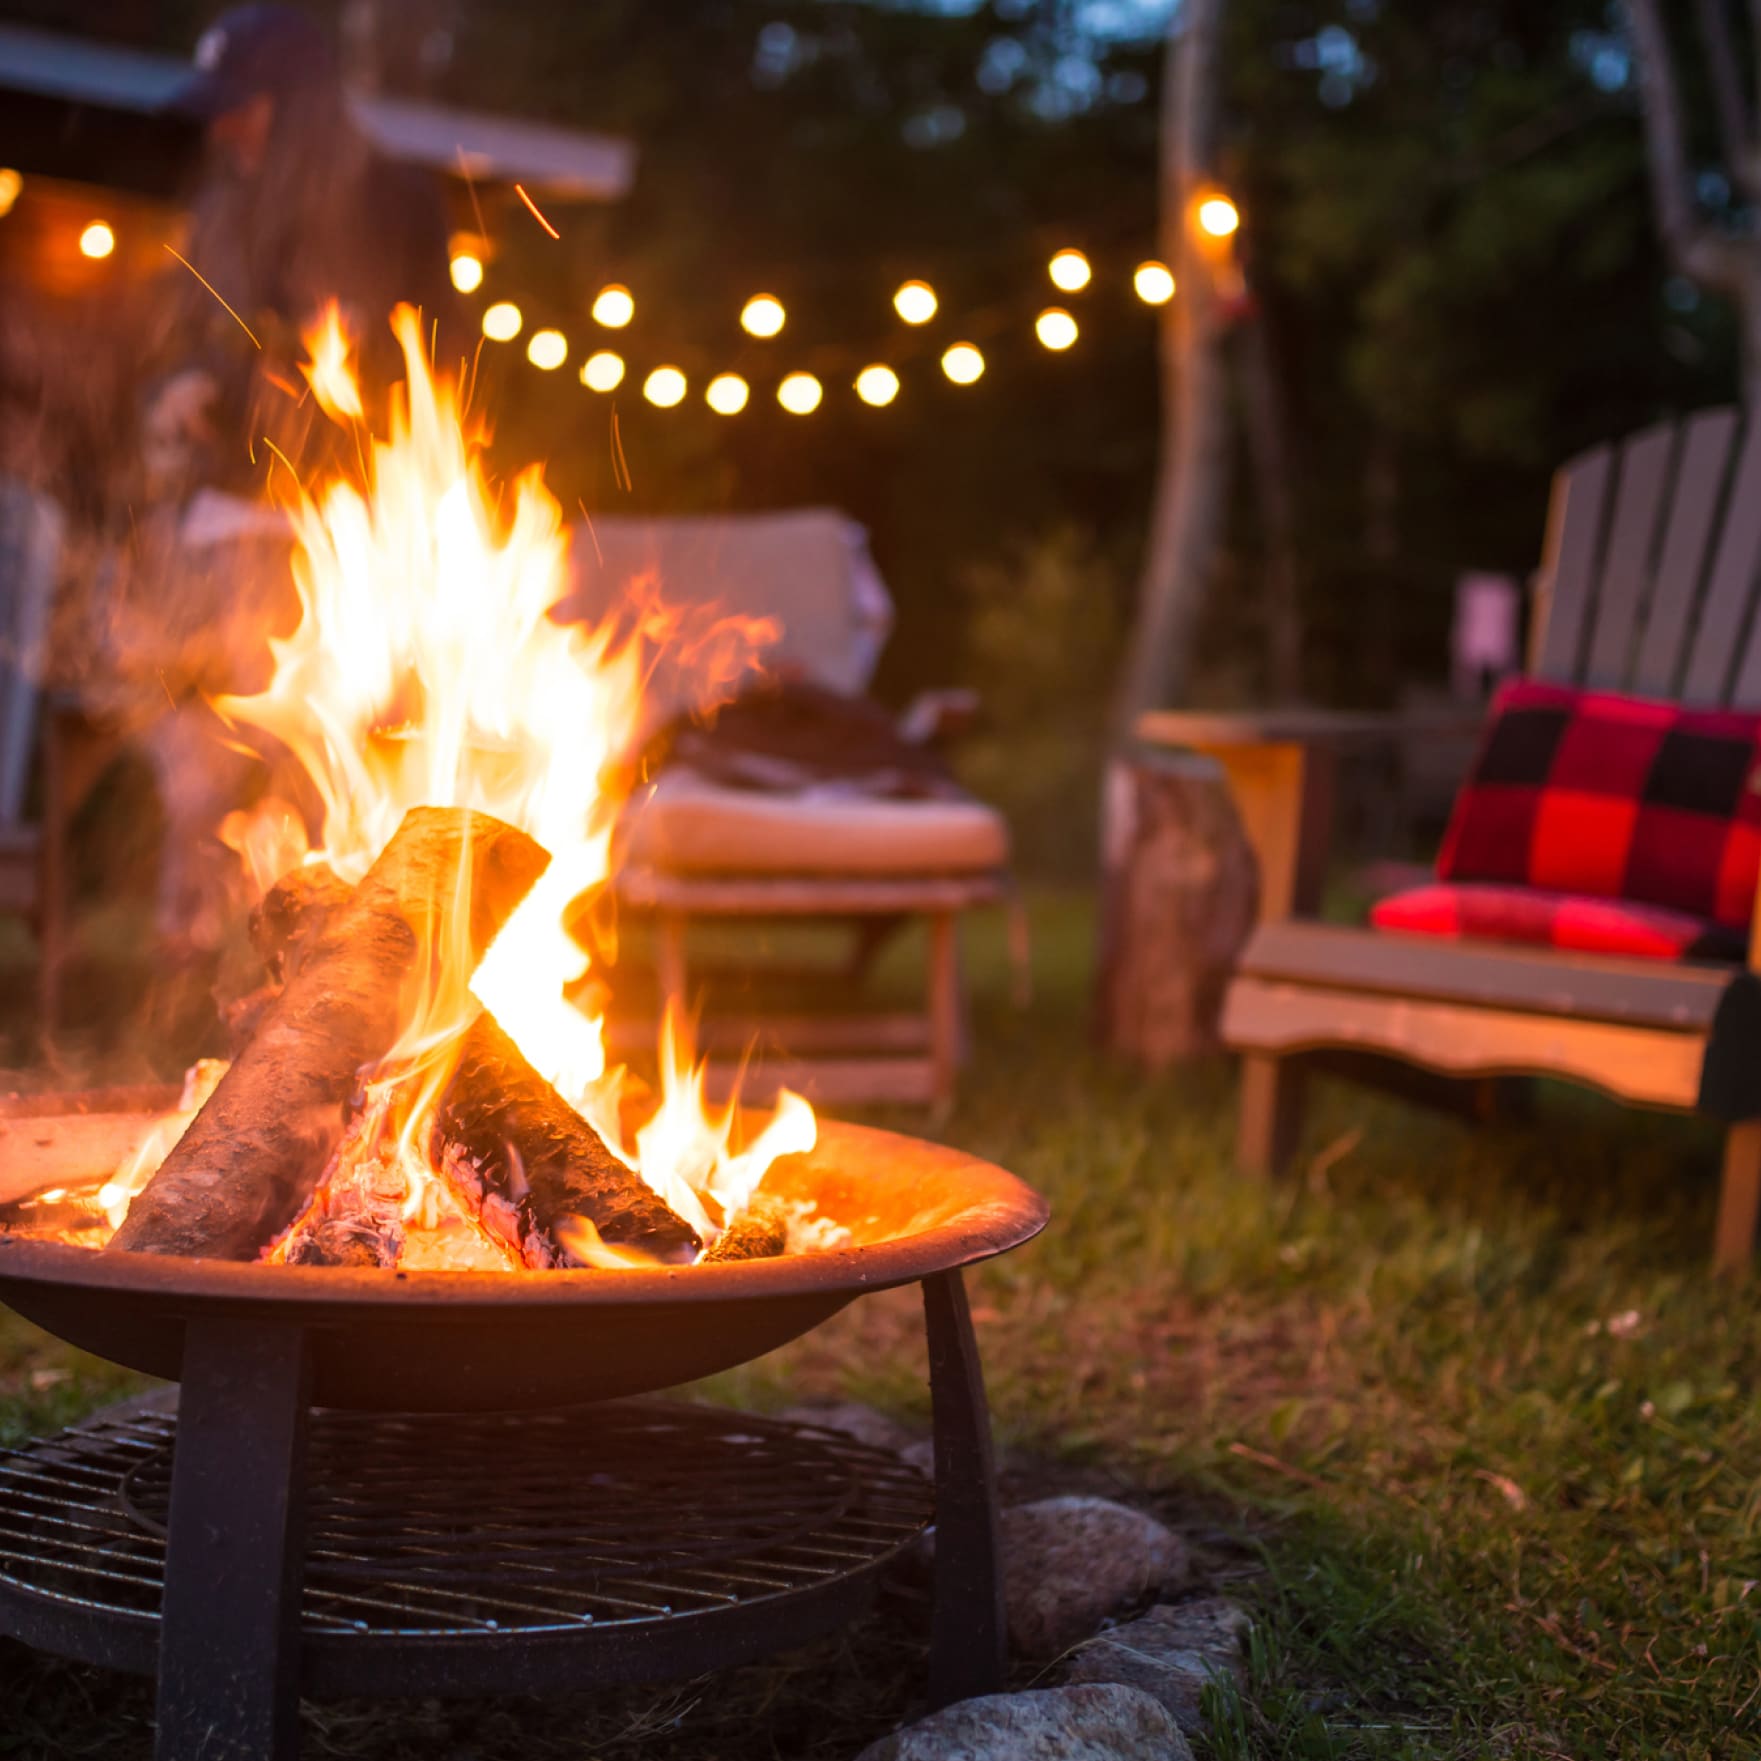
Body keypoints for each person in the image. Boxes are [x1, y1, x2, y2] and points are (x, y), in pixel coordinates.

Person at [107, 4, 460, 959]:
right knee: (199, 750)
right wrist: (175, 387)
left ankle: (305, 972)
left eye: (243, 104)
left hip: (335, 526)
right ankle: (194, 970)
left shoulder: (386, 197)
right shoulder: (223, 201)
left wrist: (228, 378)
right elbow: (190, 331)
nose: (224, 124)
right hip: (223, 519)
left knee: (305, 752)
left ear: (297, 104)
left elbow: (404, 357)